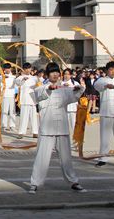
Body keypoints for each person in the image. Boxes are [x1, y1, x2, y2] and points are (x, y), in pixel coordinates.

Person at [28, 62, 86, 194]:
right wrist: (49, 88)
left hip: (62, 127)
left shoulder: (64, 89)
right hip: (47, 129)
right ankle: (35, 183)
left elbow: (74, 96)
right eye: (52, 72)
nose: (55, 75)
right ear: (47, 75)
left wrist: (79, 89)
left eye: (57, 72)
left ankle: (73, 182)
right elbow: (40, 95)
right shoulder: (41, 88)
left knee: (66, 158)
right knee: (41, 157)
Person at [15, 63, 39, 138]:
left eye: (29, 68)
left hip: (32, 99)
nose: (28, 70)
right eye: (26, 68)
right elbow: (17, 83)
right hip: (24, 100)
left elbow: (38, 85)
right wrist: (23, 79)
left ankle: (35, 132)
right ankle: (21, 132)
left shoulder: (34, 78)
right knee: (23, 117)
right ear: (23, 69)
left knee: (34, 117)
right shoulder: (20, 78)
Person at [0, 64, 17, 131]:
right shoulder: (1, 76)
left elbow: (16, 87)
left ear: (10, 69)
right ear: (4, 69)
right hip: (4, 96)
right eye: (6, 68)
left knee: (12, 111)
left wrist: (16, 96)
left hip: (11, 96)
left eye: (8, 68)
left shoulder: (14, 77)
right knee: (4, 111)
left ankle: (12, 125)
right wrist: (4, 77)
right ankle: (4, 126)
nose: (7, 69)